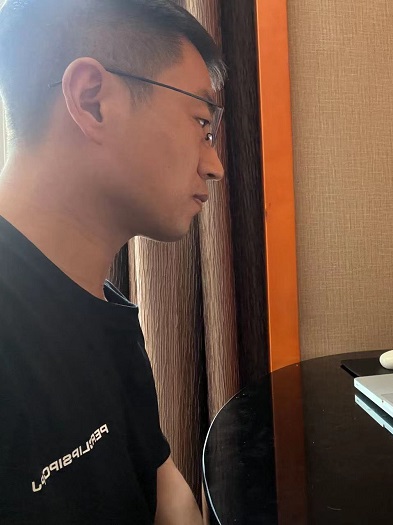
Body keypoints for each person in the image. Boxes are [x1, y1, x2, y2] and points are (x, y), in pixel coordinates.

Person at [0, 0, 226, 522]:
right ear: (92, 100)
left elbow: (163, 486)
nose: (214, 165)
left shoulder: (105, 309)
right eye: (201, 123)